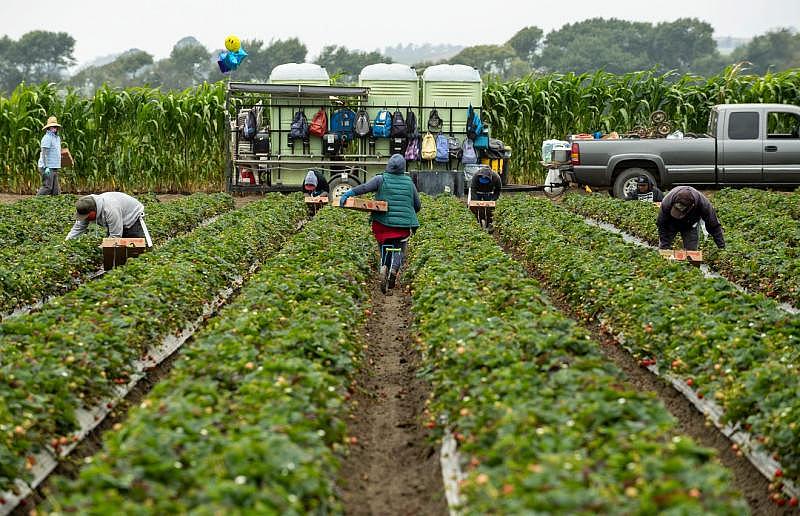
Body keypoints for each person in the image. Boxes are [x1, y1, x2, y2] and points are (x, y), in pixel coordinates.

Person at [339, 154, 420, 292]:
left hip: (382, 225)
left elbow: (364, 188)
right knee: (400, 247)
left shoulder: (380, 179)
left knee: (384, 244)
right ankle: (394, 269)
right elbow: (417, 205)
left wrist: (348, 194)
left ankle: (384, 266)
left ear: (388, 165)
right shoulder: (409, 182)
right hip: (402, 227)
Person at [66, 192, 152, 247]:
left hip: (132, 216)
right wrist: (66, 244)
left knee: (137, 246)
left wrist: (102, 247)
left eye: (86, 216)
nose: (85, 218)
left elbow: (115, 236)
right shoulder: (85, 207)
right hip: (117, 217)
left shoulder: (110, 209)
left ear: (93, 211)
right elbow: (77, 229)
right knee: (112, 246)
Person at [658, 186, 725, 251]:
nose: (678, 215)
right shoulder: (667, 202)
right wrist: (664, 246)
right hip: (670, 223)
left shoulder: (703, 205)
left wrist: (721, 247)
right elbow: (661, 223)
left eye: (681, 212)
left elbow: (714, 225)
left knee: (691, 252)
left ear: (691, 207)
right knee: (664, 249)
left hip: (690, 224)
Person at [37, 116, 62, 196]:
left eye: (55, 127)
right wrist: (46, 166)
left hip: (54, 166)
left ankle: (55, 206)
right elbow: (44, 153)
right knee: (47, 187)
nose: (54, 128)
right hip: (47, 167)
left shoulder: (57, 138)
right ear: (49, 128)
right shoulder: (47, 138)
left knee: (55, 191)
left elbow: (55, 151)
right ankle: (35, 202)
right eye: (52, 127)